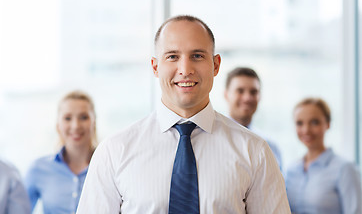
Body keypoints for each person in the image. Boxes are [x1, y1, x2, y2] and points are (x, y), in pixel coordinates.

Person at [76, 15, 290, 214]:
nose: (185, 69)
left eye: (197, 56)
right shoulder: (114, 151)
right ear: (155, 66)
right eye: (172, 56)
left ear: (215, 65)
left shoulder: (255, 151)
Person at [25, 90, 98, 214]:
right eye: (67, 118)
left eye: (84, 117)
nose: (75, 125)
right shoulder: (38, 169)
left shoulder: (108, 167)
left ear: (94, 122)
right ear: (58, 125)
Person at [285, 97, 362, 214]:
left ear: (328, 124)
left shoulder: (345, 169)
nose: (306, 130)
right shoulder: (290, 170)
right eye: (299, 123)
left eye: (314, 122)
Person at [224, 67, 283, 168]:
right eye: (240, 91)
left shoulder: (270, 147)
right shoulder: (211, 139)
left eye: (253, 92)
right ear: (226, 95)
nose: (247, 98)